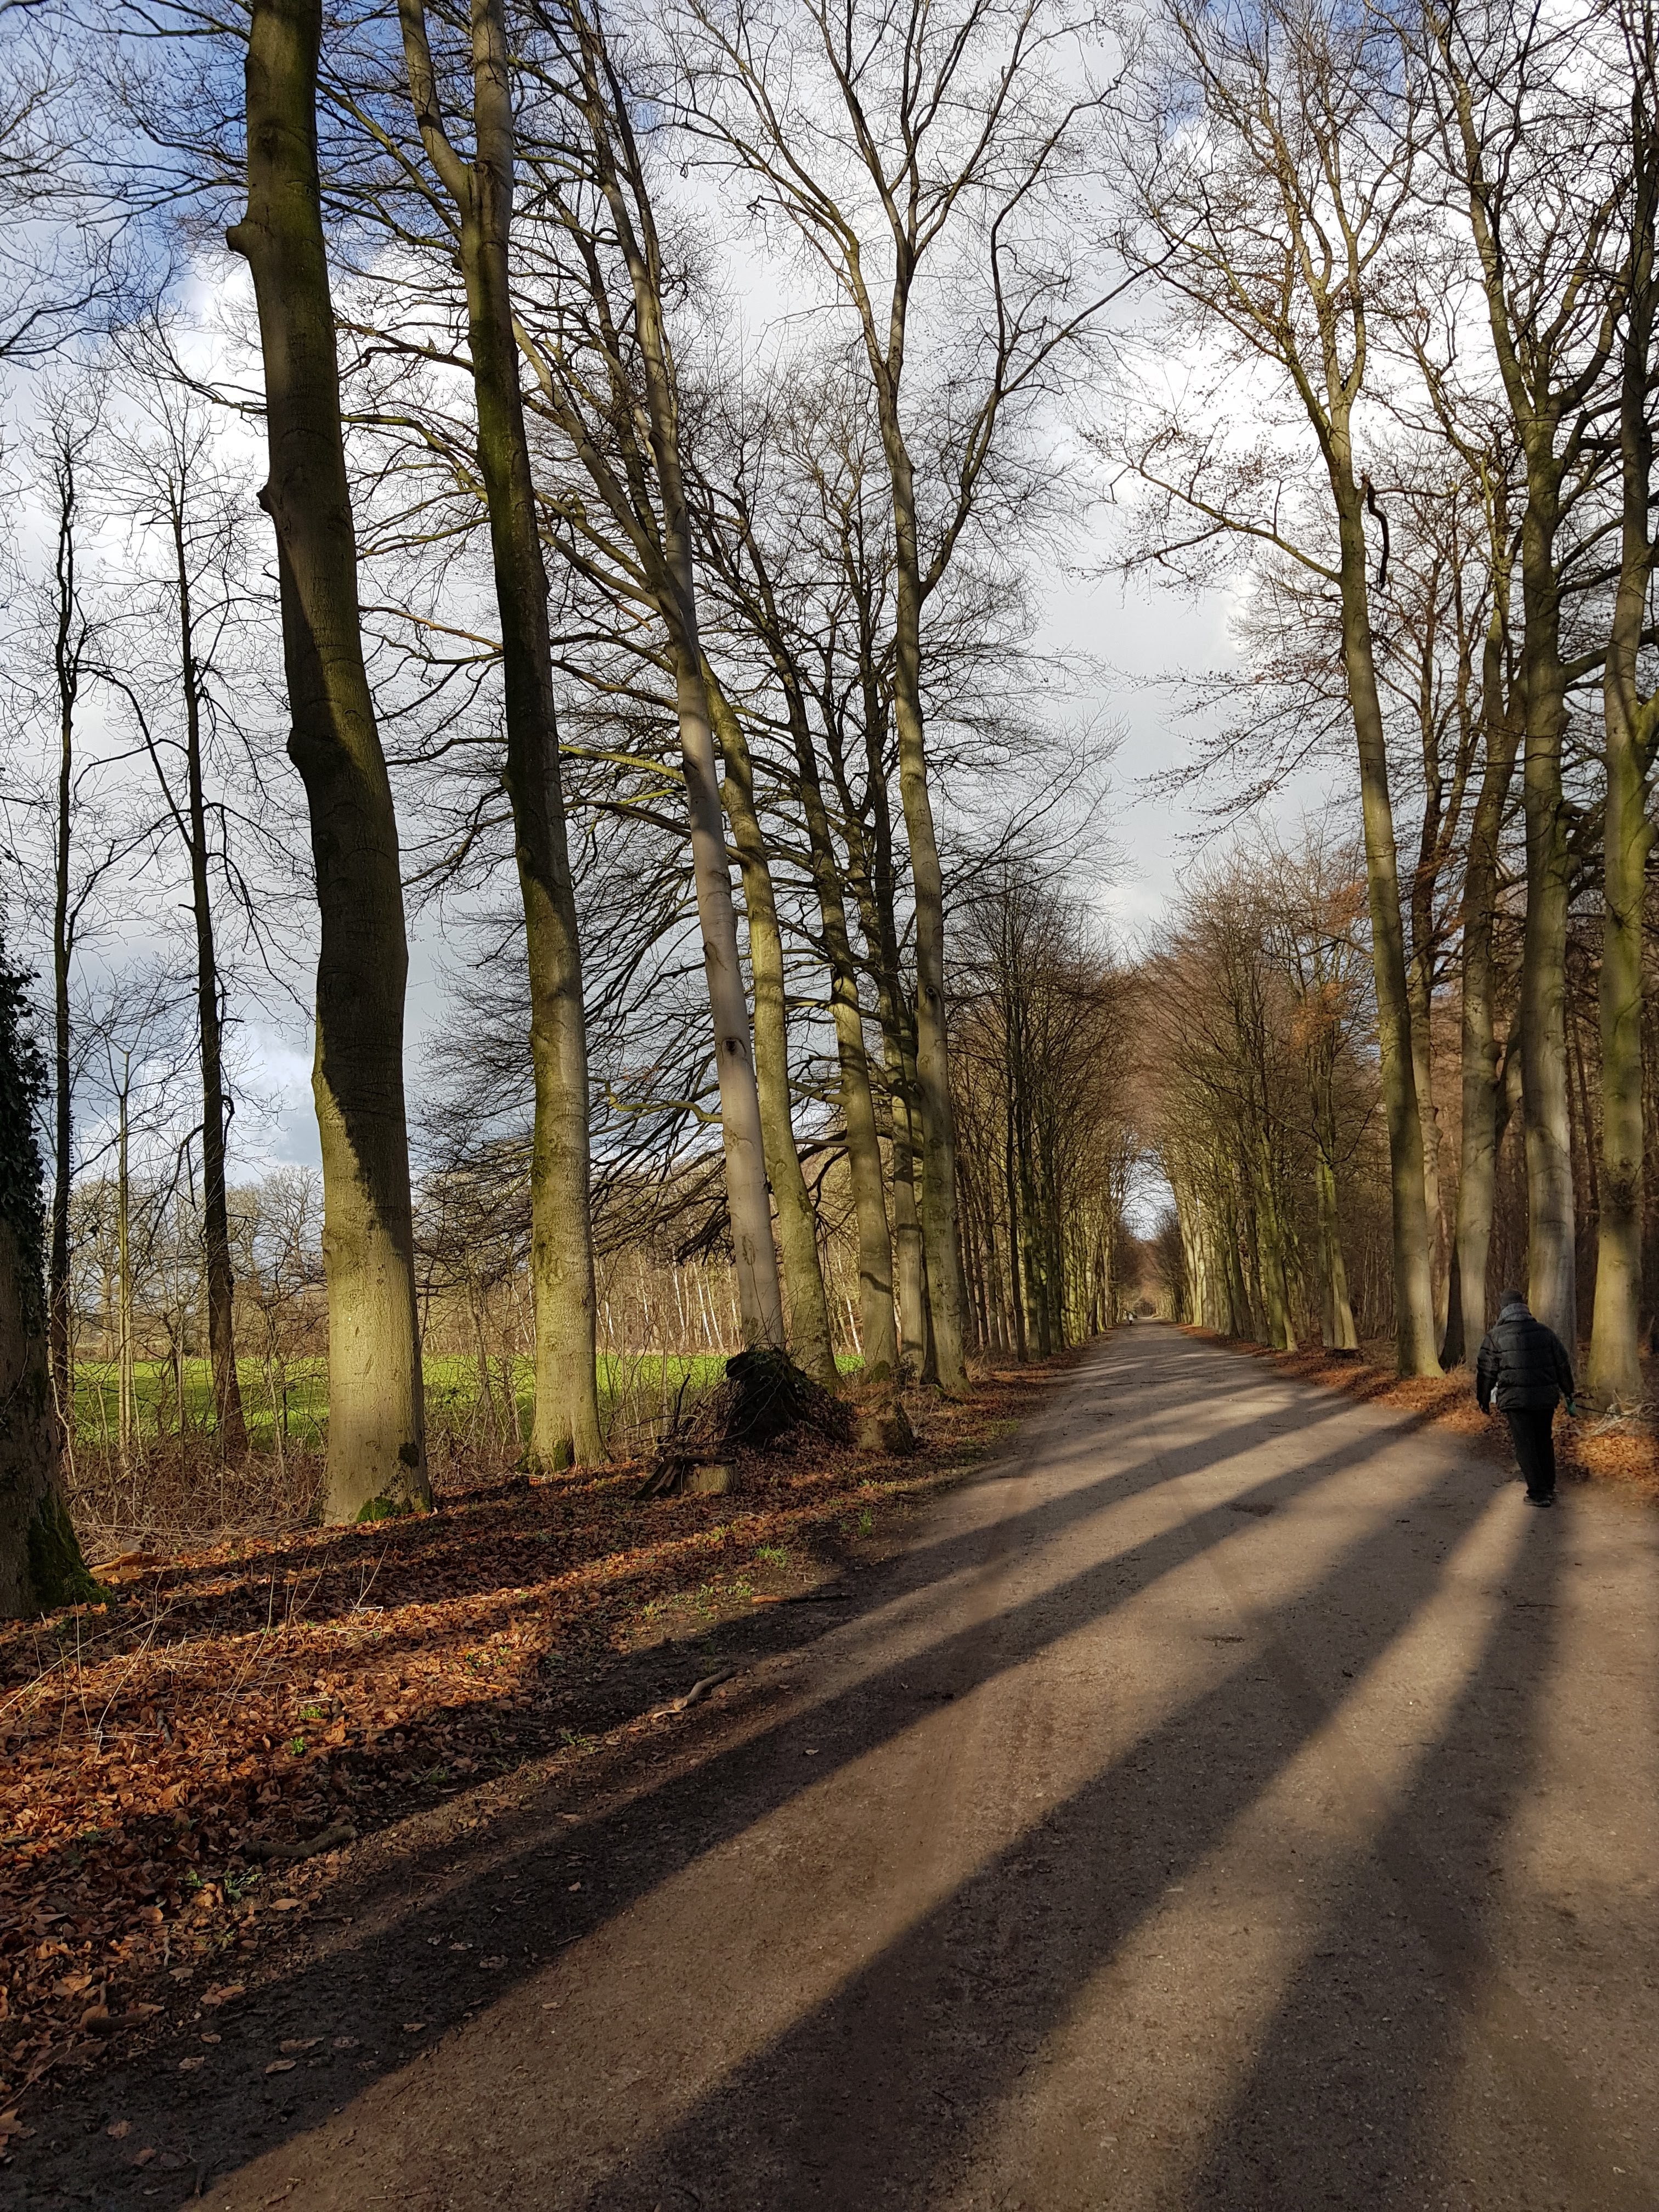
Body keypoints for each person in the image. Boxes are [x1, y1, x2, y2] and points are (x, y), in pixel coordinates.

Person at [1475, 1289, 1578, 1509]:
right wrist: (1569, 1391)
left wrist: (1483, 1399)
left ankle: (1538, 1493)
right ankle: (1548, 1486)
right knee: (1544, 1440)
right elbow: (1562, 1364)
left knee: (1525, 1445)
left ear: (1504, 1309)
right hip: (1545, 1397)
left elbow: (1486, 1372)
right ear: (1524, 1307)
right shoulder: (1546, 1333)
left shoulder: (1495, 1337)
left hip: (1516, 1400)